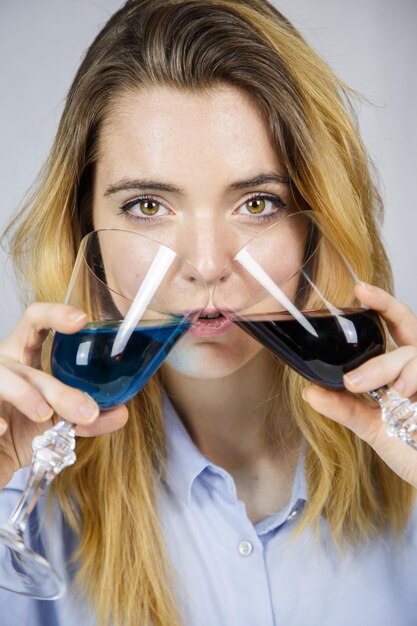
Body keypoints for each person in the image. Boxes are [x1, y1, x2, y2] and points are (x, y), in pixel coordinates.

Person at [1, 1, 417, 625]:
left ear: (317, 224)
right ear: (83, 226)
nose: (205, 264)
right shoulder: (27, 506)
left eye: (257, 203)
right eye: (146, 206)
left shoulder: (405, 475)